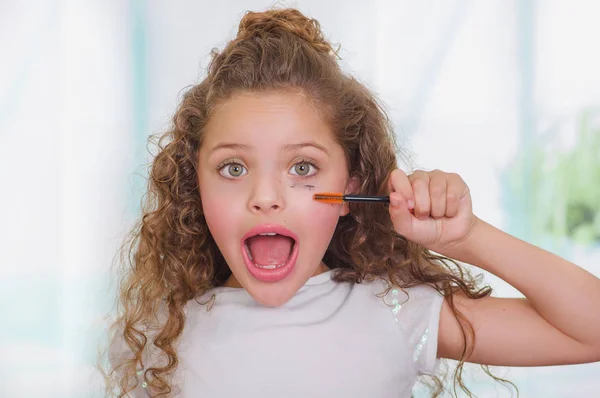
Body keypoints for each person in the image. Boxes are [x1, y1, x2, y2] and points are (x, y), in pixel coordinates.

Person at [104, 7, 600, 398]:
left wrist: (468, 237)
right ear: (197, 187)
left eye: (302, 168)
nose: (265, 199)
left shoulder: (395, 312)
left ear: (349, 190)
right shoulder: (160, 338)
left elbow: (590, 331)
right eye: (234, 168)